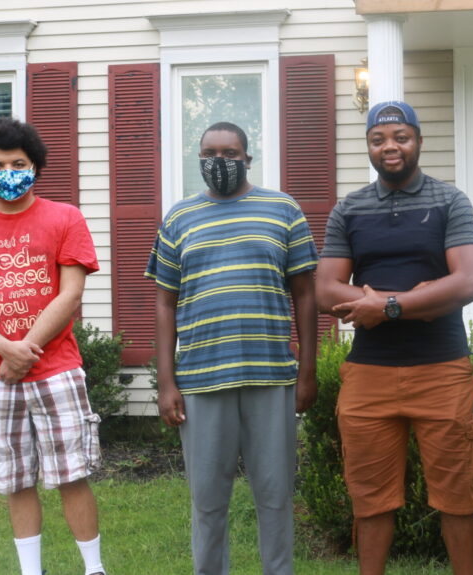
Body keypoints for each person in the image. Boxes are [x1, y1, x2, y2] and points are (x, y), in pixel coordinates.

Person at [315, 101, 473, 575]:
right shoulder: (349, 208)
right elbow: (325, 290)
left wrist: (387, 306)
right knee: (370, 498)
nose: (390, 147)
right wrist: (422, 300)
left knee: (457, 495)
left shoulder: (450, 201)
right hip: (368, 374)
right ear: (369, 146)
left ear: (419, 142)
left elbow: (469, 282)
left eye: (401, 137)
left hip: (442, 370)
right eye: (378, 139)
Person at [0, 117, 106, 575]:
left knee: (71, 473)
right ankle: (32, 571)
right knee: (15, 479)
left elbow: (70, 294)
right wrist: (3, 349)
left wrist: (23, 350)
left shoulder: (65, 218)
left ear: (35, 167)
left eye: (18, 164)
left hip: (56, 368)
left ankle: (94, 568)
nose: (8, 172)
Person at [146, 122, 318, 575]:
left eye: (230, 153)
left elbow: (305, 294)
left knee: (275, 495)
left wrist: (307, 371)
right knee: (207, 500)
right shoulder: (179, 218)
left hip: (271, 376)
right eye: (210, 153)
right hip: (202, 379)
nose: (219, 161)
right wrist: (166, 383)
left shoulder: (283, 210)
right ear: (199, 158)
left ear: (248, 158)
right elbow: (164, 303)